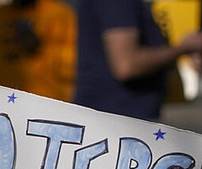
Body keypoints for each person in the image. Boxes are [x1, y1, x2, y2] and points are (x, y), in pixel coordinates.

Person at [74, 0, 202, 121]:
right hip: (116, 121)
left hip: (121, 120)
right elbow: (127, 65)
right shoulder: (118, 3)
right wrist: (183, 48)